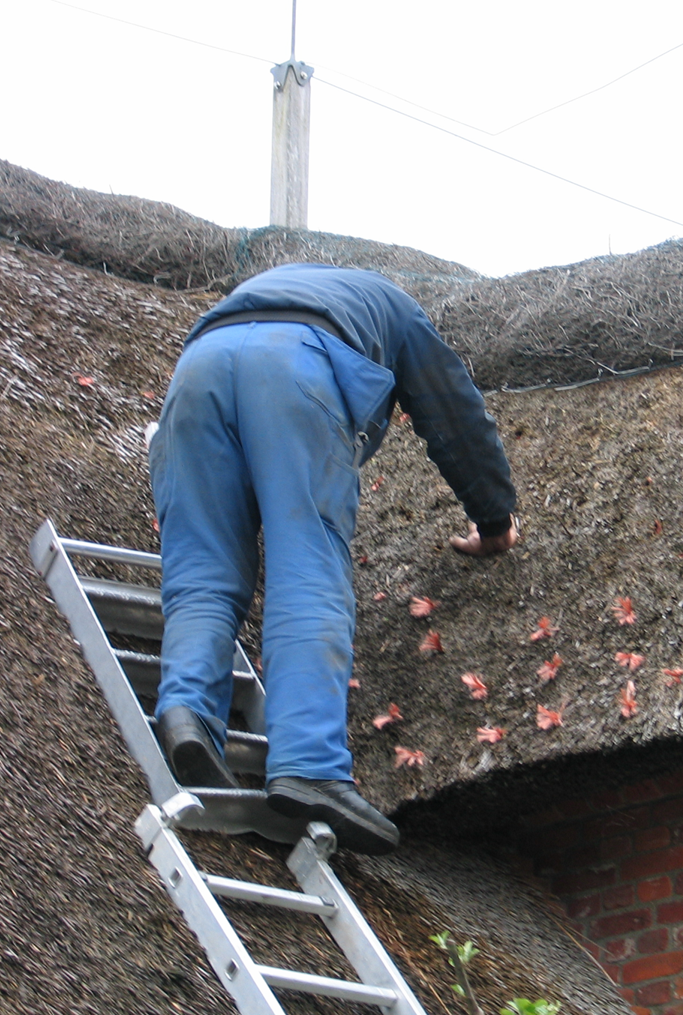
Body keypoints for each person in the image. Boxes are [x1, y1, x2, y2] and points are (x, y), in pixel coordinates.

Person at [148, 263, 516, 856]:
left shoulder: (272, 282)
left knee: (203, 575)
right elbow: (455, 414)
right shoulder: (395, 307)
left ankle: (188, 713)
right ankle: (309, 765)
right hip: (293, 365)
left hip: (197, 370)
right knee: (308, 566)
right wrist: (495, 519)